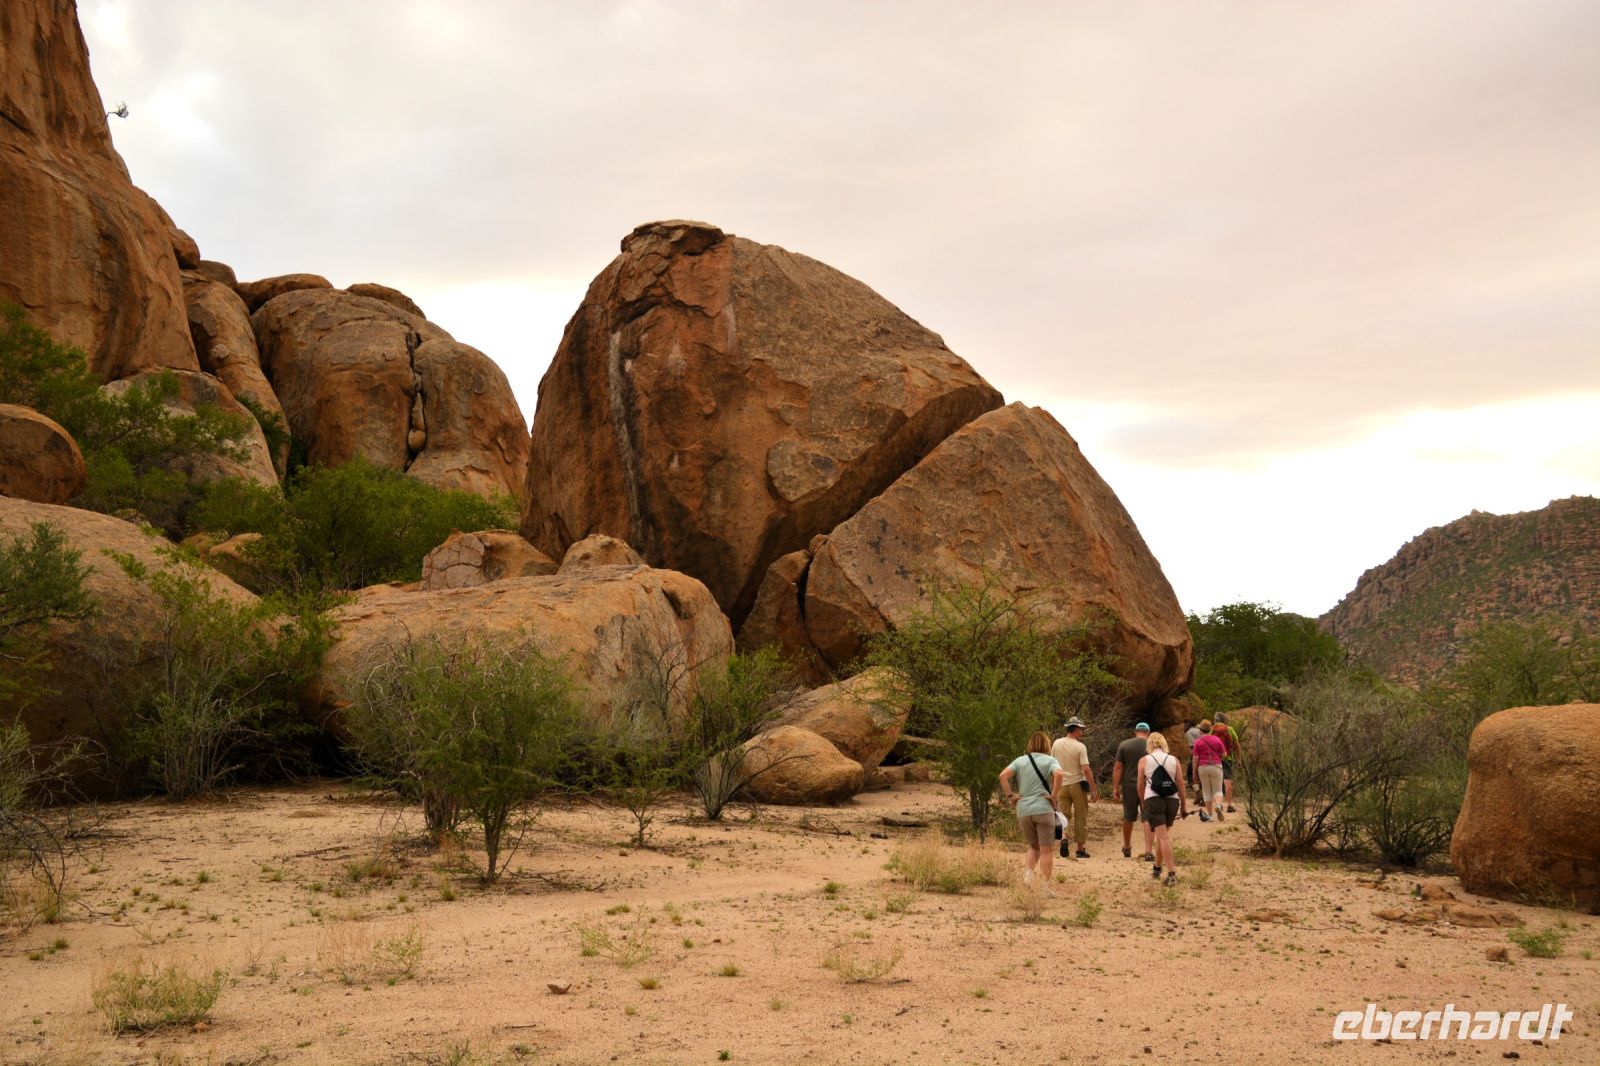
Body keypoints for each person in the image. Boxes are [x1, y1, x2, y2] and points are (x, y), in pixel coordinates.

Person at [999, 730, 1065, 893]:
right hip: (1043, 808)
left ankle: (1027, 879)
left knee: (1033, 846)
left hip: (1024, 809)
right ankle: (1044, 887)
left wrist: (1010, 796)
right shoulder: (1050, 760)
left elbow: (1002, 776)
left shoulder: (1020, 760)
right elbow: (1059, 774)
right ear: (1046, 745)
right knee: (1047, 849)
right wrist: (1054, 795)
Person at [1136, 731, 1187, 886]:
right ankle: (1157, 869)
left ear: (1149, 744)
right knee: (1162, 835)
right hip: (1172, 800)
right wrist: (1184, 805)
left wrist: (1143, 803)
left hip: (1153, 799)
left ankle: (1172, 874)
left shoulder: (1144, 760)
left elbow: (1140, 785)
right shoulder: (1174, 760)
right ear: (1164, 743)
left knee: (1163, 837)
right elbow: (1180, 783)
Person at [1050, 717, 1098, 858]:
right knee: (1080, 815)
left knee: (1063, 815)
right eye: (1081, 729)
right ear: (1075, 729)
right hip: (1077, 784)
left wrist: (1053, 786)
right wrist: (1093, 789)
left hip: (1061, 784)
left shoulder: (1056, 743)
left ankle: (1064, 838)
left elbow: (1052, 765)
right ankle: (1080, 849)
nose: (1082, 732)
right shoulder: (1080, 747)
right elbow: (1086, 769)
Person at [1111, 722, 1155, 860]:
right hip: (1148, 785)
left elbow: (1118, 767)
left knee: (1128, 816)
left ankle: (1127, 847)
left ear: (1135, 732)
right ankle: (1148, 851)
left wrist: (1115, 787)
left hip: (1129, 786)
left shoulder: (1124, 745)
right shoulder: (1153, 746)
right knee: (1147, 816)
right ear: (1148, 733)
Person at [1190, 720, 1227, 822]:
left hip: (1202, 767)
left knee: (1206, 792)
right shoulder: (1217, 740)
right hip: (1216, 766)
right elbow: (1224, 754)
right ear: (1210, 730)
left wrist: (1194, 773)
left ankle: (1210, 816)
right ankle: (1218, 806)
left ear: (1200, 730)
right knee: (1218, 790)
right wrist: (1217, 757)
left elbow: (1195, 759)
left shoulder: (1197, 741)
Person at [1214, 712, 1240, 812]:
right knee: (1228, 783)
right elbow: (1237, 745)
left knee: (1216, 783)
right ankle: (1229, 805)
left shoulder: (1212, 729)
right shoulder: (1230, 729)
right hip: (1229, 759)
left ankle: (1218, 804)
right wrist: (1238, 759)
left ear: (1215, 720)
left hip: (1215, 759)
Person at [1183, 717, 1203, 800]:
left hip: (1195, 755)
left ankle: (1198, 792)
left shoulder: (1189, 732)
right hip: (1204, 755)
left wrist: (1192, 758)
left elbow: (1193, 746)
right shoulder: (1200, 730)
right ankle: (1202, 796)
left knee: (1190, 776)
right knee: (1201, 776)